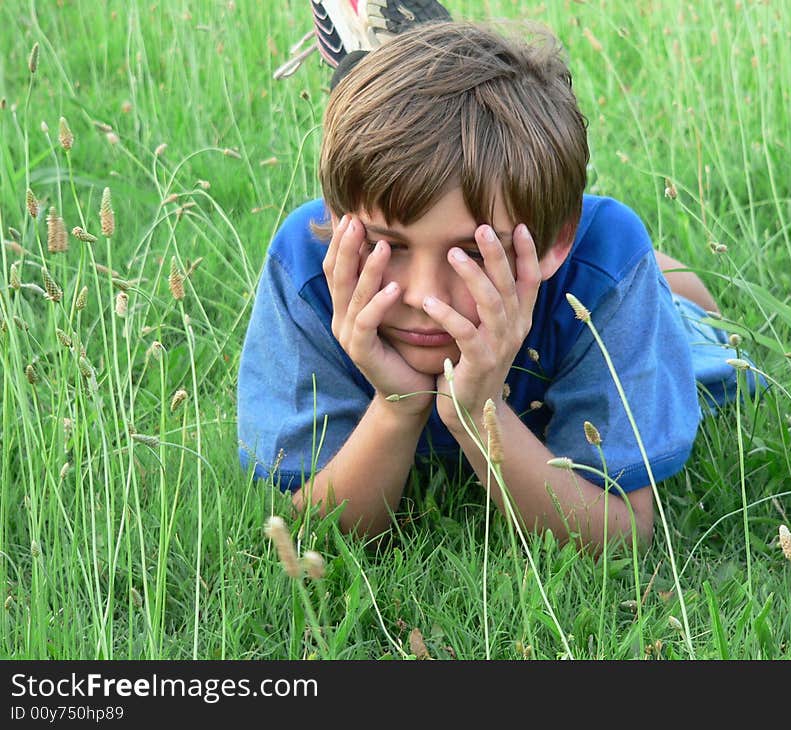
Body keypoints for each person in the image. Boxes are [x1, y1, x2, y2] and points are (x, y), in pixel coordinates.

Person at [240, 3, 759, 550]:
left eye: (470, 253)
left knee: (680, 313)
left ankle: (661, 281)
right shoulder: (309, 259)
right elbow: (307, 531)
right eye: (385, 244)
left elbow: (623, 534)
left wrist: (476, 414)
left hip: (612, 295)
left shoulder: (598, 276)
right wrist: (398, 406)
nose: (423, 297)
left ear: (554, 243)